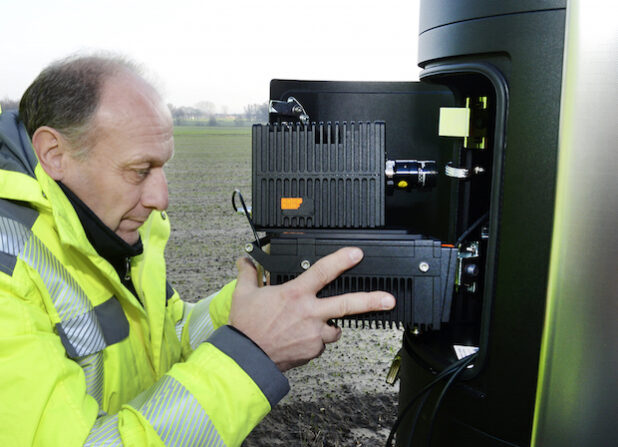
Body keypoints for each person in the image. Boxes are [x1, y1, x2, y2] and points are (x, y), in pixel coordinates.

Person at [0, 54, 395, 446]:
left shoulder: (109, 228)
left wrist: (261, 301)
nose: (161, 198)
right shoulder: (9, 275)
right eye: (140, 171)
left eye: (163, 167)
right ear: (54, 154)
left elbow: (166, 338)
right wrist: (251, 352)